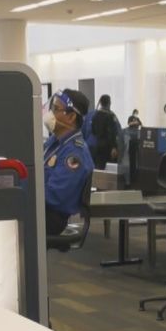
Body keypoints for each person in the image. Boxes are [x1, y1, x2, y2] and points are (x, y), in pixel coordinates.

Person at [42, 89, 95, 236]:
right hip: (42, 210)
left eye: (56, 109)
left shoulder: (74, 154)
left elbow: (54, 196)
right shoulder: (55, 143)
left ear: (71, 116)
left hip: (52, 217)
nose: (50, 113)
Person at [87, 94, 121, 169]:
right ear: (109, 103)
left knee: (99, 168)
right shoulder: (110, 116)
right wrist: (114, 147)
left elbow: (93, 131)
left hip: (98, 145)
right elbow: (113, 133)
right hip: (108, 147)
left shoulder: (95, 115)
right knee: (109, 169)